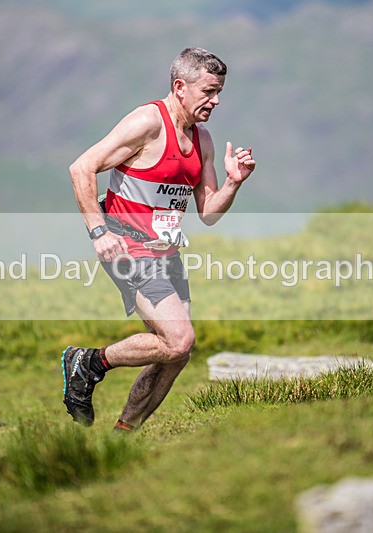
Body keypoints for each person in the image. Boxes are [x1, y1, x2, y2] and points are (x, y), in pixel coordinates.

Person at [63, 47, 256, 432]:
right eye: (208, 91)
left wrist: (234, 182)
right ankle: (87, 362)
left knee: (175, 353)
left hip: (165, 250)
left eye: (219, 92)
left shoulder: (202, 140)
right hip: (124, 242)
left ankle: (124, 435)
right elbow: (81, 167)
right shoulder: (147, 122)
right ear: (180, 87)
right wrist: (98, 231)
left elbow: (209, 212)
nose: (215, 101)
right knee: (180, 338)